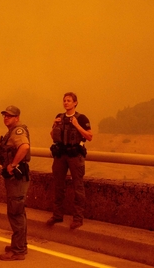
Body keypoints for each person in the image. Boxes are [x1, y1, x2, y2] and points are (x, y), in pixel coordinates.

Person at [47, 92, 93, 230]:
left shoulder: (82, 118)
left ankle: (78, 218)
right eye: (64, 100)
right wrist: (53, 125)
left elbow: (90, 136)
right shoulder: (59, 117)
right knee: (58, 186)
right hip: (60, 155)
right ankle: (57, 215)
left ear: (75, 103)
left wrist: (77, 125)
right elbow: (52, 136)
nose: (66, 103)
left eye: (69, 100)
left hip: (75, 156)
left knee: (78, 187)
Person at [0, 105, 30, 261]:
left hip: (16, 178)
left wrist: (13, 164)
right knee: (19, 212)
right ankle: (21, 244)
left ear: (17, 118)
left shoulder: (17, 131)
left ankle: (18, 251)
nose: (6, 118)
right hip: (15, 179)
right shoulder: (11, 132)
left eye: (9, 116)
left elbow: (24, 146)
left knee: (15, 213)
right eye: (4, 115)